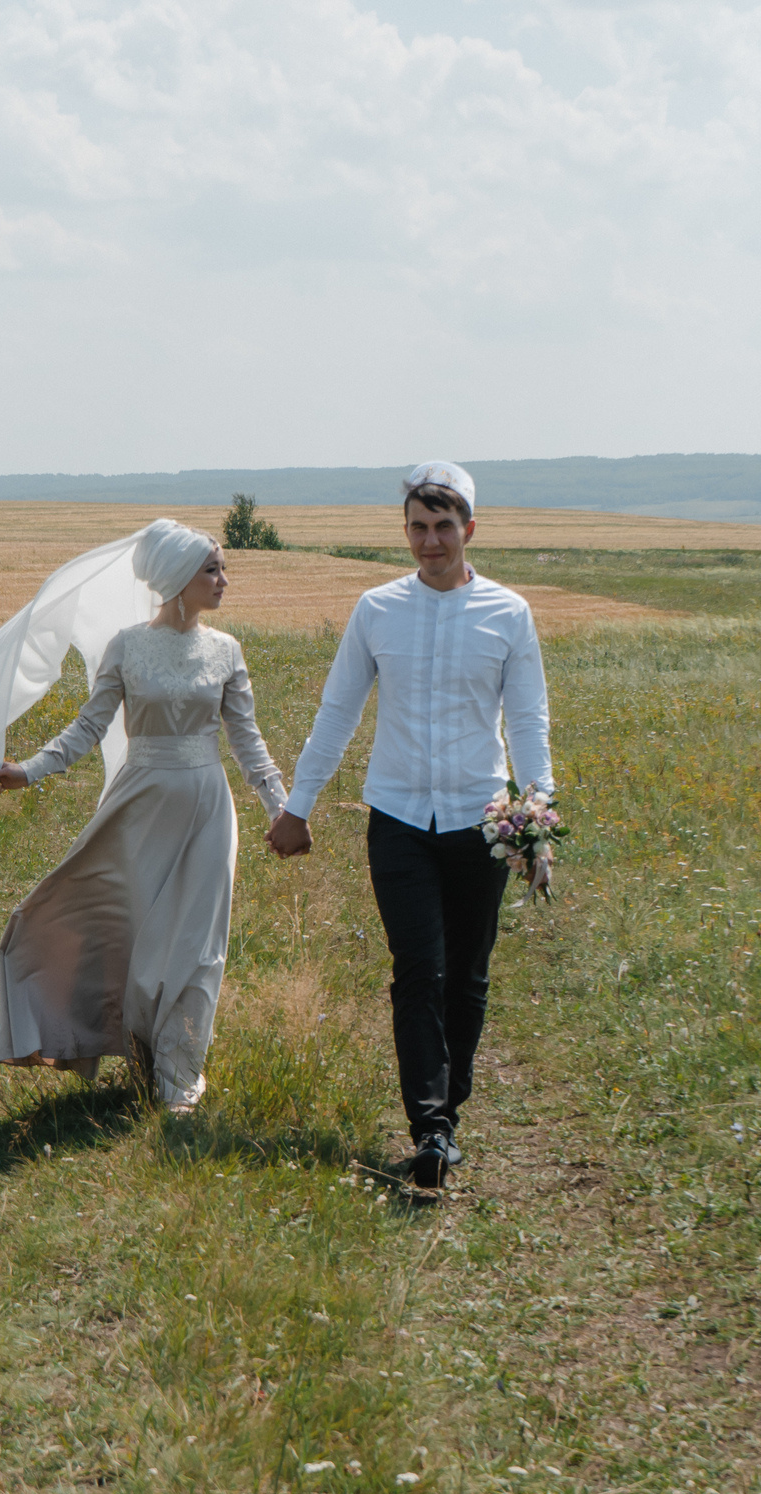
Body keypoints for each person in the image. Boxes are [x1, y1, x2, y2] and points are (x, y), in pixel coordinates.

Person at [0, 519, 289, 1114]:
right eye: (212, 569)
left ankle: (178, 1076)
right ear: (177, 578)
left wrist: (281, 809)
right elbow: (90, 726)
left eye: (223, 568)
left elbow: (247, 741)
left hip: (207, 808)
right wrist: (29, 770)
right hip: (140, 805)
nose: (225, 579)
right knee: (127, 932)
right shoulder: (127, 646)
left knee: (197, 946)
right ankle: (135, 1048)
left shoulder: (227, 650)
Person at [266, 461, 553, 1189]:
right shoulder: (377, 610)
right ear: (405, 531)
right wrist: (299, 805)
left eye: (443, 527)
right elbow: (338, 710)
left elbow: (527, 721)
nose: (431, 542)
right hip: (396, 817)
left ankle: (448, 1110)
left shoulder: (508, 613)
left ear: (469, 530)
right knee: (418, 970)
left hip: (481, 822)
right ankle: (430, 1126)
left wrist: (536, 820)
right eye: (418, 528)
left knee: (467, 973)